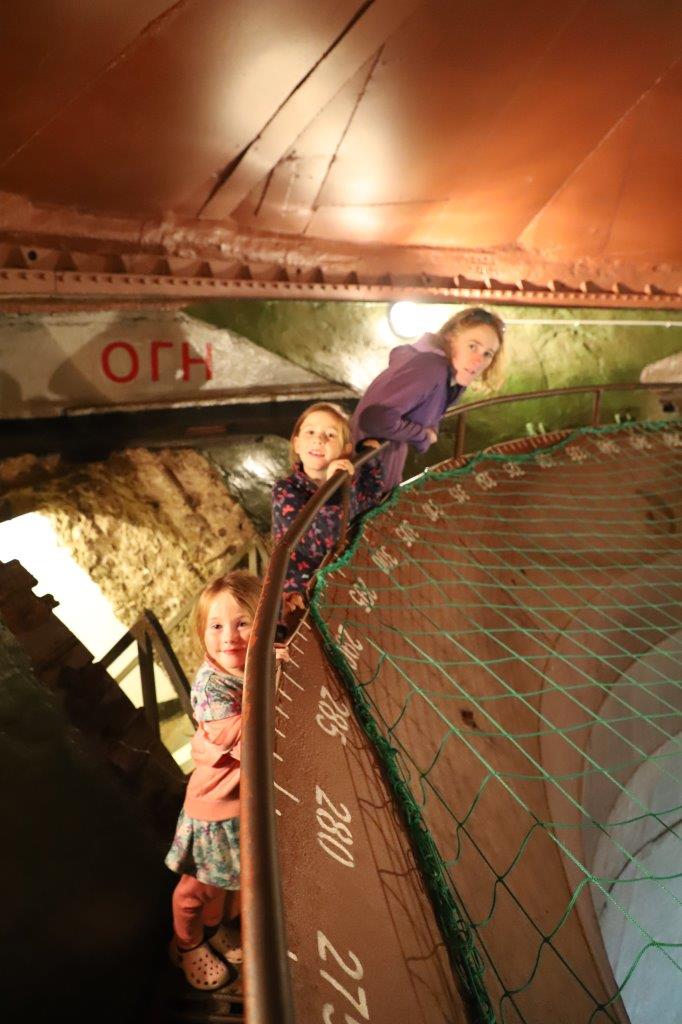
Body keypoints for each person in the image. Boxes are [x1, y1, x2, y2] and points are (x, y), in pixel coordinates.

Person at [165, 571, 261, 991]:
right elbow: (249, 737)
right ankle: (185, 944)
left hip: (238, 801)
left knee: (225, 881)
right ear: (202, 634)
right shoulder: (211, 688)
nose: (230, 637)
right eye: (216, 626)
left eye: (243, 622)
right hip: (213, 810)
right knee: (198, 888)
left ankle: (213, 928)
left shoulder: (253, 664)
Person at [351, 306, 505, 492]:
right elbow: (374, 418)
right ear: (450, 338)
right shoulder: (431, 369)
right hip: (363, 476)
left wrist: (428, 430)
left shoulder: (451, 376)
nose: (478, 360)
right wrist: (422, 436)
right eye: (472, 346)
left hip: (380, 469)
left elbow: (428, 408)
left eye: (487, 354)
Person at [272, 402, 383, 609]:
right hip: (306, 595)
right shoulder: (285, 491)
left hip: (350, 580)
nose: (319, 439)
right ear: (296, 444)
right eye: (310, 432)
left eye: (330, 435)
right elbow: (326, 540)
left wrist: (368, 457)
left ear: (345, 450)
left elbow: (371, 496)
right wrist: (334, 487)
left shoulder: (350, 482)